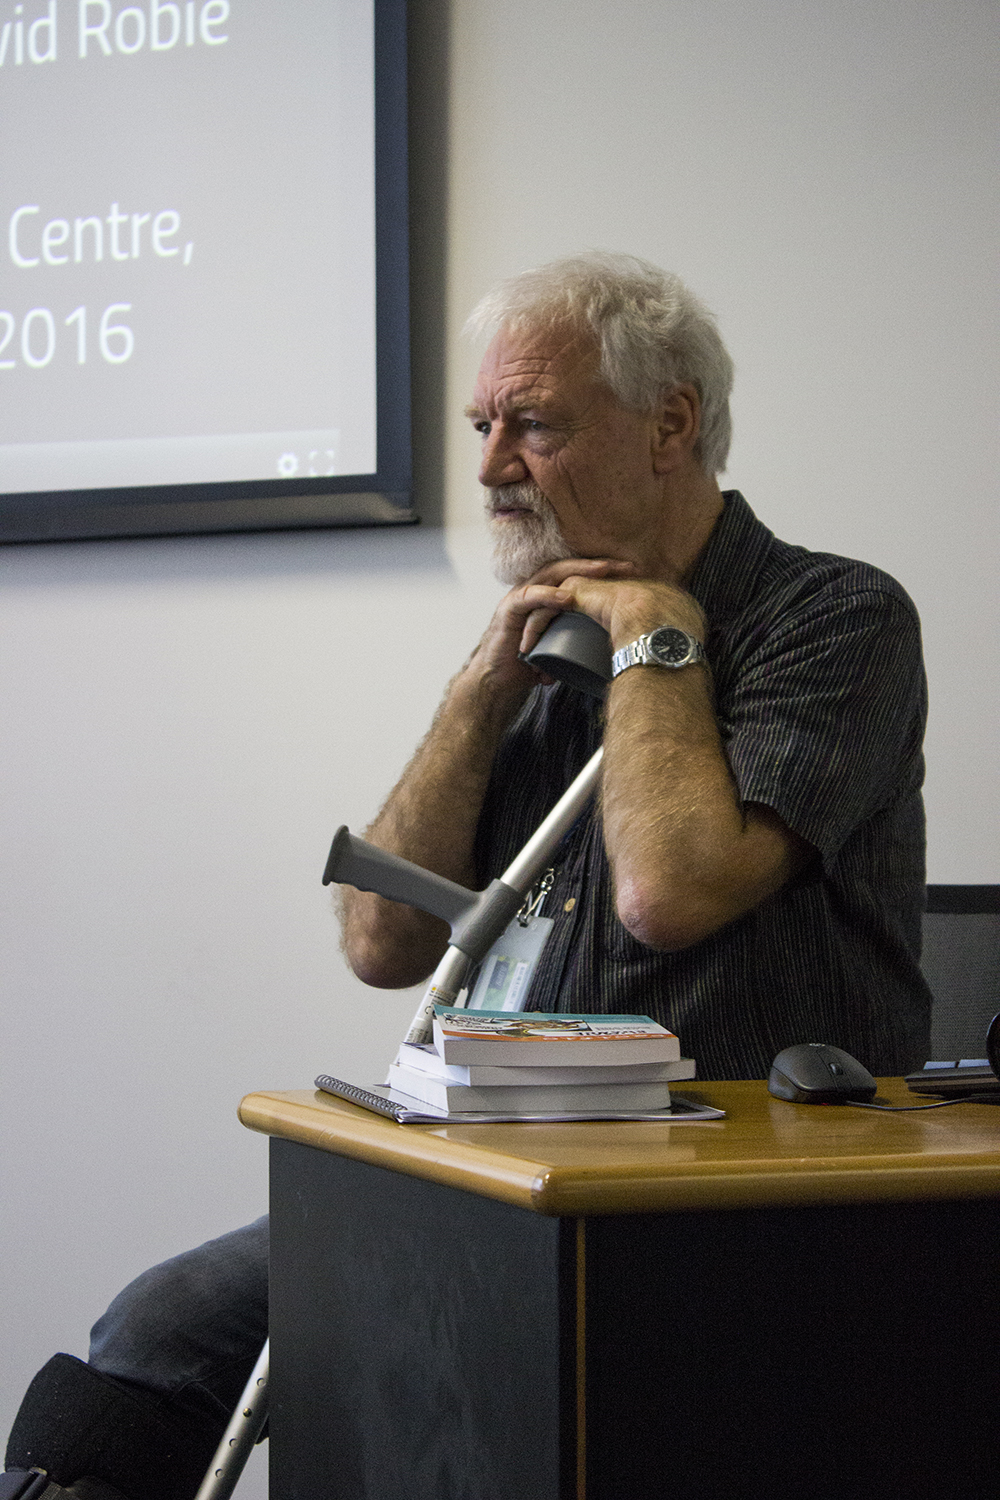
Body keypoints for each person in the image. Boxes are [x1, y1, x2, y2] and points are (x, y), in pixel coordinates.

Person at [3, 253, 931, 1500]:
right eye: (482, 426)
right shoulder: (546, 654)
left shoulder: (835, 618)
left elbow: (668, 893)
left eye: (533, 425)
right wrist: (480, 688)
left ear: (672, 424)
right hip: (487, 1165)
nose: (492, 465)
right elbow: (383, 941)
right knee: (154, 1342)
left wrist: (658, 634)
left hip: (721, 1203)